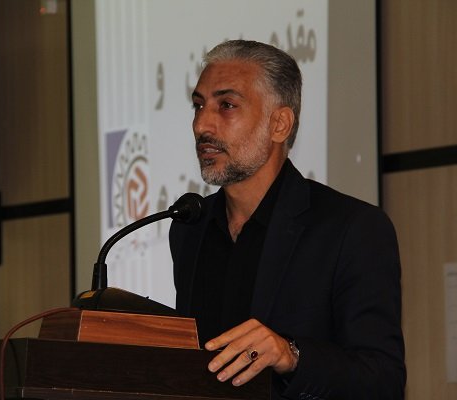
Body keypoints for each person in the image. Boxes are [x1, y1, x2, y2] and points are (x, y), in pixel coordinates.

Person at [169, 39, 406, 399]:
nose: (202, 124)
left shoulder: (352, 229)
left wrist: (291, 355)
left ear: (279, 124)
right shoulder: (190, 228)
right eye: (198, 105)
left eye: (226, 105)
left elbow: (383, 380)